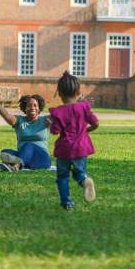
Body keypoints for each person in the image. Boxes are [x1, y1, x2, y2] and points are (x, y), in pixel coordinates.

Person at [49, 70, 99, 210]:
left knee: (63, 177)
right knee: (79, 173)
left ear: (59, 94)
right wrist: (85, 131)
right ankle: (85, 181)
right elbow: (95, 123)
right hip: (81, 148)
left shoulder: (58, 112)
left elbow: (55, 131)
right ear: (78, 92)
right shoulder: (84, 107)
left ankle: (67, 202)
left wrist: (51, 123)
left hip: (64, 150)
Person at [0, 93, 51, 171]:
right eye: (29, 105)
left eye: (35, 105)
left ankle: (16, 165)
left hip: (42, 159)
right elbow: (7, 115)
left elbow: (61, 114)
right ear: (25, 108)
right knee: (5, 152)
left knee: (29, 145)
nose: (32, 108)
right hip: (26, 157)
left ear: (39, 108)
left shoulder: (45, 120)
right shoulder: (19, 121)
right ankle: (19, 163)